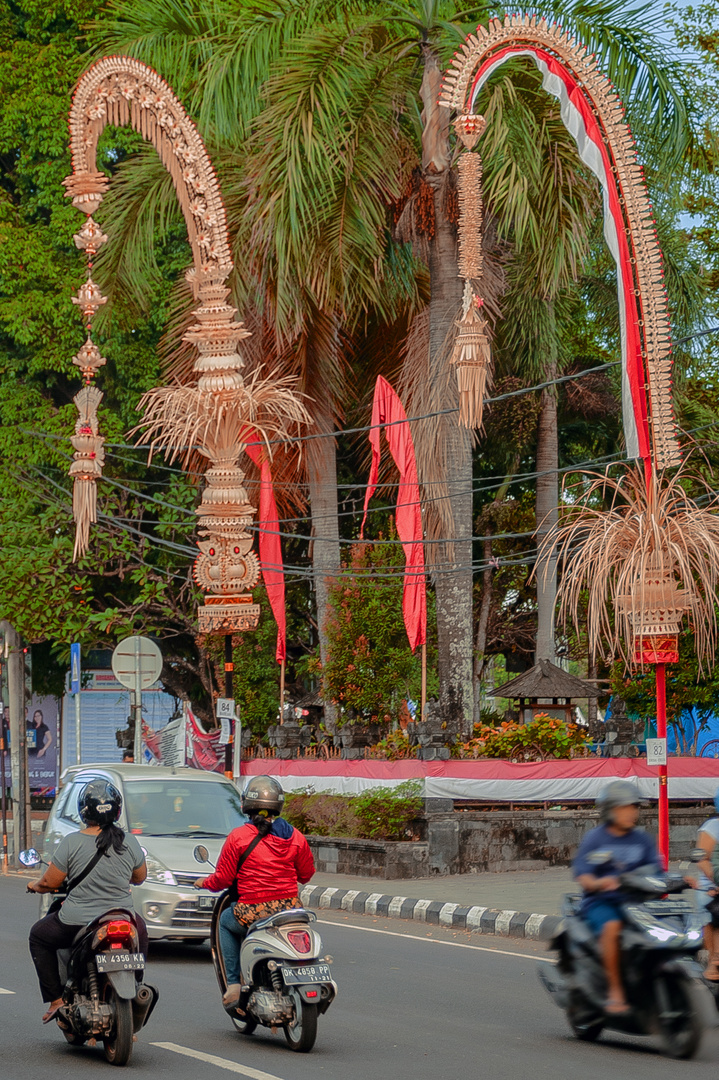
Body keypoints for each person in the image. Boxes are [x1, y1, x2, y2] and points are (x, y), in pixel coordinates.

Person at [27, 778, 148, 1024]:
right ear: (117, 809)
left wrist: (34, 885)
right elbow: (140, 877)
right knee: (141, 929)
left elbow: (50, 882)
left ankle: (56, 1000)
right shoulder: (130, 841)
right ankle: (137, 985)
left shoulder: (71, 842)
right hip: (122, 916)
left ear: (84, 811)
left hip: (77, 921)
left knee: (38, 936)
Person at [195, 775, 315, 1008]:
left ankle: (233, 984)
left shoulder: (238, 837)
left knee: (225, 921)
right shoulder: (295, 836)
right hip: (291, 910)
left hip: (254, 910)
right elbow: (306, 874)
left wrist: (204, 882)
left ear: (246, 805)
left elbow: (223, 879)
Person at [572, 780, 662, 1015]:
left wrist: (683, 880)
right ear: (611, 810)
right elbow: (583, 875)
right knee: (612, 927)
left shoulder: (642, 839)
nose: (633, 812)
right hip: (602, 903)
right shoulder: (596, 838)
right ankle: (615, 990)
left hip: (636, 903)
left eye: (635, 807)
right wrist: (599, 883)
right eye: (627, 807)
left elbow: (656, 870)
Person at [694, 787, 719, 980]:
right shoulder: (712, 826)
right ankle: (713, 962)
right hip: (710, 883)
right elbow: (703, 859)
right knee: (714, 914)